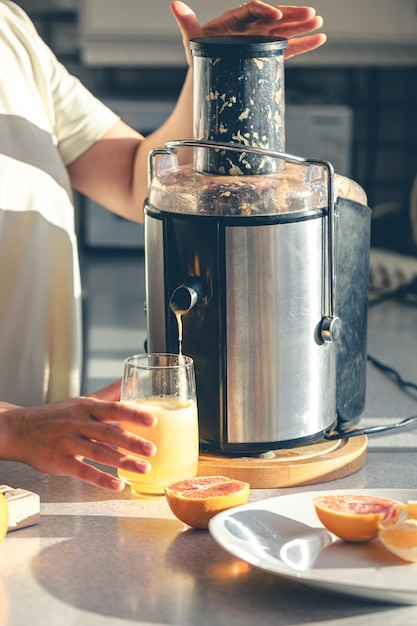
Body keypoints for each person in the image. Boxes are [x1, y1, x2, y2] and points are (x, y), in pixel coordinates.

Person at [0, 1, 326, 490]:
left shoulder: (9, 31)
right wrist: (12, 428)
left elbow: (138, 182)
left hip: (42, 469)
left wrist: (211, 74)